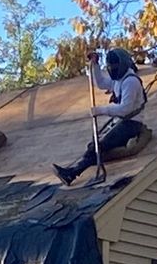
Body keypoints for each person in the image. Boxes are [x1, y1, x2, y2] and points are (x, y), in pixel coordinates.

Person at [54, 48, 147, 184]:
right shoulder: (118, 80)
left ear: (123, 65)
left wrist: (101, 110)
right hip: (121, 122)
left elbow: (125, 109)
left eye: (115, 67)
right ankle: (72, 171)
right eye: (110, 67)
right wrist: (95, 64)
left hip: (132, 124)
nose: (112, 70)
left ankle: (73, 174)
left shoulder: (130, 82)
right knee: (94, 145)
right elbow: (101, 83)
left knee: (100, 145)